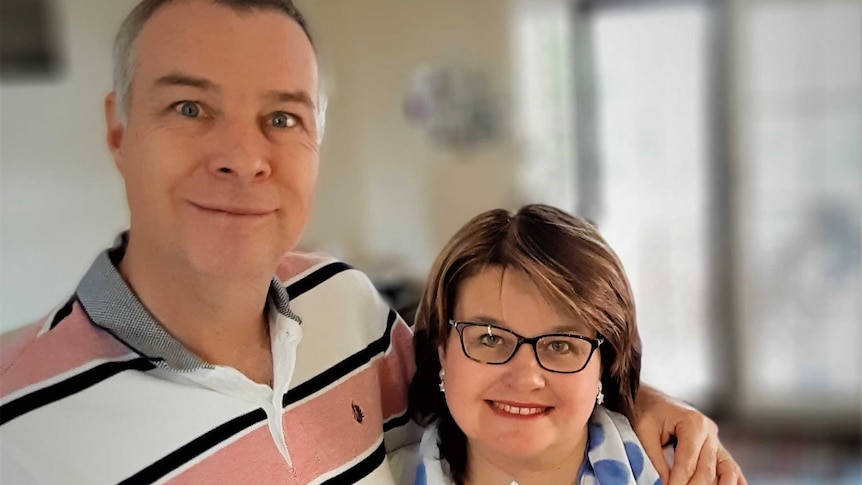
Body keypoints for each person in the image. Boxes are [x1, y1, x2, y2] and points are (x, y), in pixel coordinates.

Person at [0, 1, 743, 484]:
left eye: (283, 118)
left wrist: (635, 401)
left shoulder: (346, 305)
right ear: (118, 127)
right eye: (190, 106)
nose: (243, 157)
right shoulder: (17, 422)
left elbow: (496, 373)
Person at [411, 205, 685, 484]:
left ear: (604, 365)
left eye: (560, 345)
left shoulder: (691, 473)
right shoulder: (377, 474)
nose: (525, 378)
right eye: (490, 337)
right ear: (442, 349)